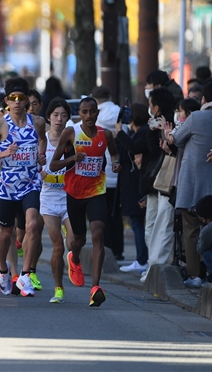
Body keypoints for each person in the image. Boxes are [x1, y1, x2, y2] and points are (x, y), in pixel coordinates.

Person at [165, 80, 212, 288]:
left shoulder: (196, 117)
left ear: (203, 99)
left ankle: (195, 275)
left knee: (191, 227)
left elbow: (177, 139)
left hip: (194, 183)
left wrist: (168, 134)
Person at [50, 96, 121, 307]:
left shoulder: (105, 134)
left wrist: (116, 163)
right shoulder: (71, 133)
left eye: (92, 111)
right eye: (85, 112)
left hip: (97, 191)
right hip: (74, 194)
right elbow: (53, 165)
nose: (89, 116)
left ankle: (95, 288)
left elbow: (115, 154)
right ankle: (76, 258)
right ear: (79, 114)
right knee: (76, 241)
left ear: (97, 113)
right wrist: (72, 158)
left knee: (98, 233)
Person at [0, 77, 48, 297]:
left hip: (31, 183)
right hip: (8, 185)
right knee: (5, 232)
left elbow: (43, 140)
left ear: (27, 100)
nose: (18, 102)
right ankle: (3, 271)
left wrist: (41, 156)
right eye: (13, 98)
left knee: (32, 226)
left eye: (22, 98)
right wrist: (4, 153)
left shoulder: (37, 122)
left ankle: (25, 275)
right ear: (7, 101)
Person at [39, 97, 75, 303]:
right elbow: (32, 165)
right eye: (55, 115)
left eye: (63, 115)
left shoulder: (72, 140)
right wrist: (40, 172)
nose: (59, 119)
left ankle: (74, 259)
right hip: (48, 198)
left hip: (69, 197)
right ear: (49, 117)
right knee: (58, 246)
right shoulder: (41, 140)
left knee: (73, 244)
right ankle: (58, 288)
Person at [116, 103, 150, 274]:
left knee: (138, 224)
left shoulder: (141, 134)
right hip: (135, 183)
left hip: (137, 184)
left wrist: (120, 133)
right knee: (140, 223)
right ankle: (142, 258)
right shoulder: (138, 132)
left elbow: (129, 149)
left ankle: (142, 259)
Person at [92, 86, 124, 260]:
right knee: (116, 214)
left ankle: (107, 248)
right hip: (117, 170)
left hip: (100, 171)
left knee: (101, 214)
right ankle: (118, 251)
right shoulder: (120, 113)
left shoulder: (95, 117)